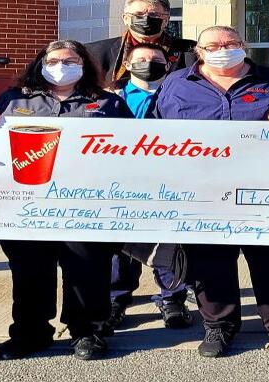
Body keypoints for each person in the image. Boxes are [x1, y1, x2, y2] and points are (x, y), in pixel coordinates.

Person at [153, 26, 269, 358]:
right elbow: (157, 132)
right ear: (199, 51)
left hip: (267, 189)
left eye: (231, 43)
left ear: (243, 45)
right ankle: (218, 326)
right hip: (202, 191)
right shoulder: (176, 84)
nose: (223, 49)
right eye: (213, 45)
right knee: (209, 261)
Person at [0, 40, 133, 361]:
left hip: (87, 207)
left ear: (84, 65)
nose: (61, 65)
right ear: (40, 64)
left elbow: (130, 148)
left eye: (70, 60)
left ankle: (88, 332)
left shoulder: (108, 103)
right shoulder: (14, 99)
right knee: (30, 270)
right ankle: (30, 332)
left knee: (88, 269)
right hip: (27, 206)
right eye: (54, 59)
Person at [106, 43, 194, 331]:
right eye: (141, 59)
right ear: (128, 66)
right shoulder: (108, 99)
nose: (148, 63)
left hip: (171, 181)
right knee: (120, 246)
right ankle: (116, 300)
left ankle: (173, 298)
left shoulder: (184, 95)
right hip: (123, 182)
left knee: (169, 242)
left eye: (155, 59)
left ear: (168, 65)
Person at [86, 0, 196, 89]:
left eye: (154, 14)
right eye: (138, 14)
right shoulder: (94, 52)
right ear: (126, 19)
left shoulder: (191, 51)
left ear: (166, 20)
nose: (146, 18)